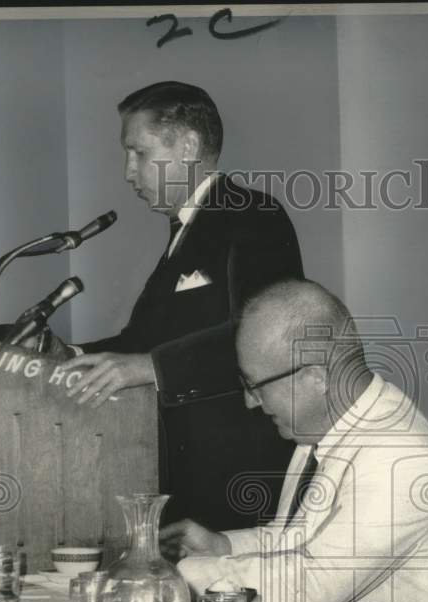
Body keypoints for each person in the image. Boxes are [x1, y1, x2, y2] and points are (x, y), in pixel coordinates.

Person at [161, 280, 428, 602]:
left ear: (316, 377)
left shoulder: (401, 454)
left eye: (256, 385)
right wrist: (222, 545)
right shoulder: (323, 429)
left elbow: (313, 585)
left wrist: (180, 577)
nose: (251, 403)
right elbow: (302, 542)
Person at [58, 81, 304, 528]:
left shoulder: (252, 215)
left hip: (234, 479)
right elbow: (144, 342)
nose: (128, 173)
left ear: (188, 146)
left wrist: (148, 368)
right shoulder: (185, 232)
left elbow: (268, 338)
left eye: (140, 154)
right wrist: (71, 355)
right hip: (182, 474)